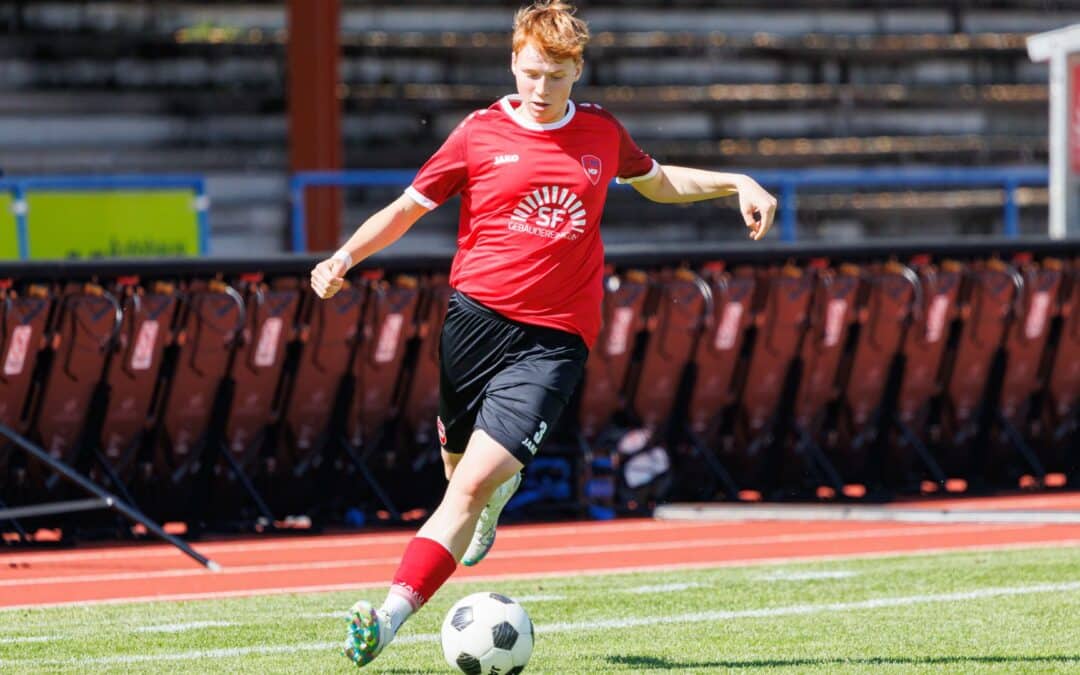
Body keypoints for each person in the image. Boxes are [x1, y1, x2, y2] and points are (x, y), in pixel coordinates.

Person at [309, 0, 777, 667]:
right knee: (457, 477)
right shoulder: (476, 133)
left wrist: (737, 181)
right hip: (473, 325)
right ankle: (492, 504)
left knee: (466, 488)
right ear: (512, 62)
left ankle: (385, 619)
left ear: (577, 71)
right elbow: (407, 209)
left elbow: (659, 180)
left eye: (555, 77)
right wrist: (343, 257)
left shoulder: (600, 133)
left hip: (553, 339)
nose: (540, 88)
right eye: (530, 73)